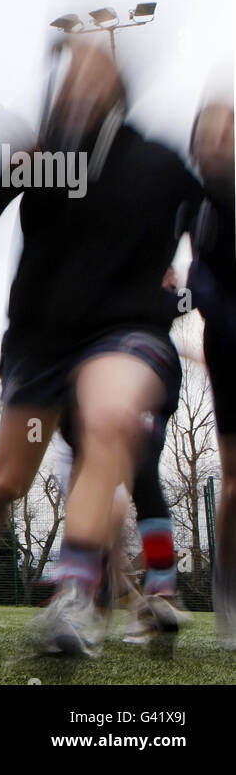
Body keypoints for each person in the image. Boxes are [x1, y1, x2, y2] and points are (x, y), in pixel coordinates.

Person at [0, 37, 202, 657]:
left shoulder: (157, 162)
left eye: (98, 71)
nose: (82, 82)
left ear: (118, 90)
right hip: (40, 342)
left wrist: (187, 286)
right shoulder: (42, 155)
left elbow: (213, 223)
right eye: (72, 74)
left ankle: (75, 598)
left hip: (118, 336)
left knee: (112, 421)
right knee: (9, 479)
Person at [186, 99, 236, 649]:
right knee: (234, 481)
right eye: (212, 133)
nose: (221, 142)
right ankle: (227, 596)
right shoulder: (192, 199)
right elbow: (198, 279)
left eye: (230, 132)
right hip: (227, 344)